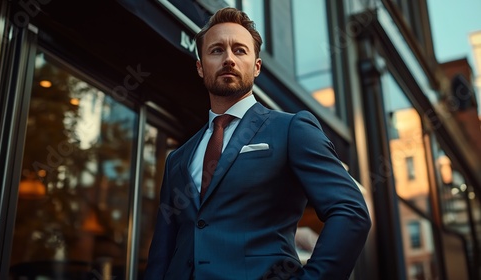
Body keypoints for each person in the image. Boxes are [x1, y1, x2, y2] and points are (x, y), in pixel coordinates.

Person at [143, 7, 371, 280]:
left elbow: (351, 211)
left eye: (240, 50)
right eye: (216, 50)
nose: (229, 59)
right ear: (201, 68)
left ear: (257, 66)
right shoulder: (177, 159)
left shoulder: (291, 129)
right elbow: (163, 250)